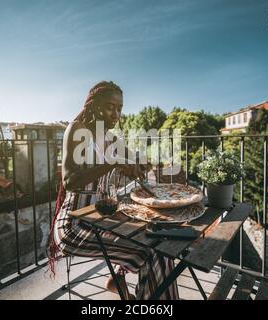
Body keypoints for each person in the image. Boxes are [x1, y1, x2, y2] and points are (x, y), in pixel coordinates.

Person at [49, 81, 178, 300]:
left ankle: (120, 279)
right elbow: (69, 180)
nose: (116, 114)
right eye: (110, 107)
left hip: (102, 218)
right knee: (151, 253)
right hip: (75, 223)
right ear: (94, 105)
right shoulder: (77, 129)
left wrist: (142, 164)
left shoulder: (111, 138)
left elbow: (132, 160)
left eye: (119, 108)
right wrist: (112, 163)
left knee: (159, 242)